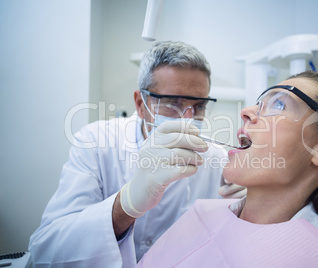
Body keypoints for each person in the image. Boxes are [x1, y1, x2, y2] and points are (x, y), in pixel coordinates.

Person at [137, 71, 318, 267]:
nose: (246, 112)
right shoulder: (203, 212)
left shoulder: (313, 260)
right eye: (258, 104)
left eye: (279, 105)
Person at [28, 41, 245, 267]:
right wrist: (126, 204)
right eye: (173, 103)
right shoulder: (96, 143)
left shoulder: (217, 160)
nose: (188, 118)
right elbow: (45, 248)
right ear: (141, 104)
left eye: (199, 106)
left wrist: (242, 216)